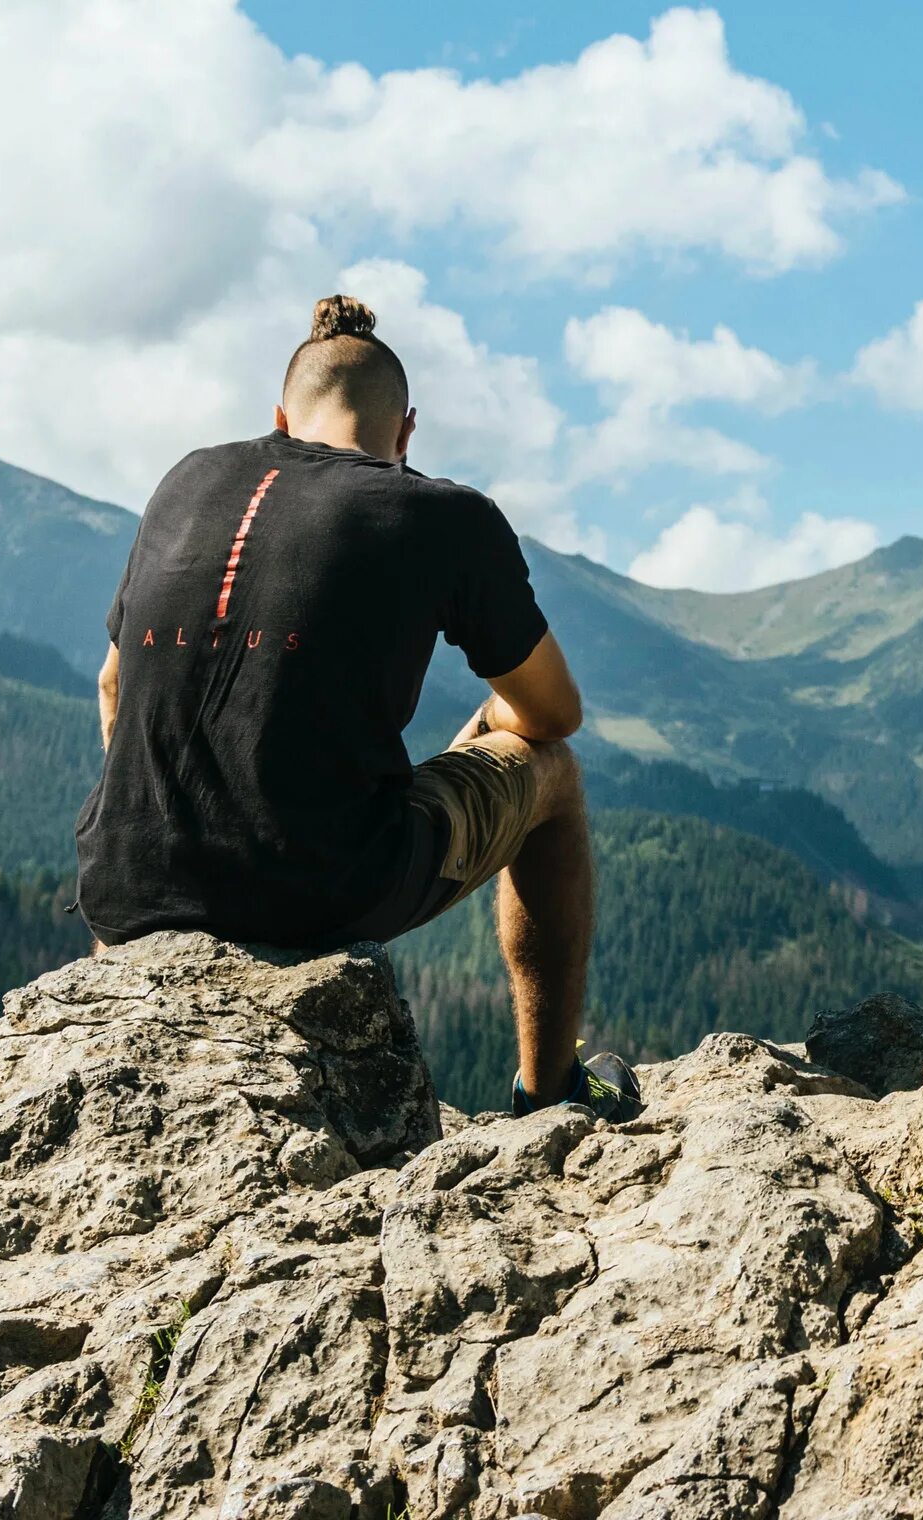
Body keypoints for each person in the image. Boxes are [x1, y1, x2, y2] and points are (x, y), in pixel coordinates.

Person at [74, 294, 636, 1119]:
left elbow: (113, 686)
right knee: (552, 775)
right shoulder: (440, 514)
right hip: (319, 889)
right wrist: (484, 732)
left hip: (124, 890)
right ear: (405, 432)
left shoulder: (186, 480)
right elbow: (554, 714)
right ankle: (551, 1091)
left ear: (279, 416)